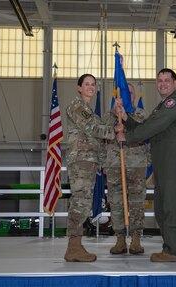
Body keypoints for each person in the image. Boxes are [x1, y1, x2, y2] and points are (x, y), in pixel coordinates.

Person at [115, 68, 176, 262]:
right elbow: (146, 126)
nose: (162, 83)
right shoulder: (163, 106)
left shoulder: (174, 103)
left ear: (175, 83)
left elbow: (152, 128)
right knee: (161, 208)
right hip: (163, 163)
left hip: (173, 162)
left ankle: (175, 251)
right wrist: (126, 118)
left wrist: (127, 137)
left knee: (171, 207)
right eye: (159, 80)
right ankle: (169, 248)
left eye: (167, 80)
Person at [64, 74, 117, 262]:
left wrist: (101, 161)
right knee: (80, 202)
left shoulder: (91, 112)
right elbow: (93, 129)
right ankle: (73, 247)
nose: (90, 87)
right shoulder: (76, 106)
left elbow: (98, 137)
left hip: (89, 161)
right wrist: (115, 132)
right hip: (80, 160)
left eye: (93, 84)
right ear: (79, 88)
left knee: (84, 202)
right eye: (86, 84)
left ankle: (76, 245)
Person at [103, 83, 149, 255]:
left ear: (134, 96)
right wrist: (104, 162)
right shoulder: (109, 116)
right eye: (124, 93)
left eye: (130, 93)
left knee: (137, 203)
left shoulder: (141, 114)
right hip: (115, 165)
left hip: (137, 166)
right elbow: (102, 138)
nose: (127, 96)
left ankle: (136, 239)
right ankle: (120, 239)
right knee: (116, 203)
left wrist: (147, 161)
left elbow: (148, 136)